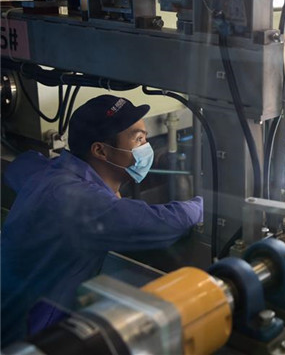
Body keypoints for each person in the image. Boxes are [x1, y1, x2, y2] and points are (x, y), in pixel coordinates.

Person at [1, 95, 203, 347]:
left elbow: (20, 165)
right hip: (26, 338)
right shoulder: (80, 202)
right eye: (138, 139)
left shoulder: (52, 173)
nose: (146, 147)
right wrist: (206, 206)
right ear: (100, 151)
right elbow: (162, 224)